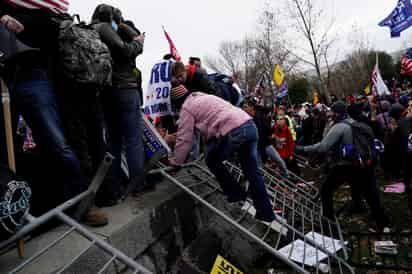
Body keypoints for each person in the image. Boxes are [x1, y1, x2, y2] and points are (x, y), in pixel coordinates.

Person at [0, 1, 108, 226]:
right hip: (5, 79)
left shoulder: (40, 14)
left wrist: (22, 24)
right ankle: (14, 214)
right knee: (6, 152)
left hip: (32, 76)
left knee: (57, 144)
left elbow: (49, 33)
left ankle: (83, 204)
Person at [170, 85, 275, 222]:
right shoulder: (203, 96)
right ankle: (266, 213)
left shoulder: (186, 108)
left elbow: (184, 139)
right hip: (249, 126)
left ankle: (236, 193)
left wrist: (176, 162)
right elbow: (214, 121)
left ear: (177, 102)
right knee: (253, 173)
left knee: (212, 159)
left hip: (235, 130)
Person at [296, 101, 389, 231]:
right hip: (364, 163)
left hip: (346, 166)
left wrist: (301, 149)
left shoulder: (340, 127)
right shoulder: (355, 122)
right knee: (370, 193)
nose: (329, 114)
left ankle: (329, 223)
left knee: (326, 190)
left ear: (337, 113)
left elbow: (323, 147)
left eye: (332, 112)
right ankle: (381, 221)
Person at [91, 5, 146, 198]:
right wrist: (138, 42)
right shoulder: (109, 29)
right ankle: (137, 186)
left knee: (113, 142)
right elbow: (126, 50)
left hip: (105, 92)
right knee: (133, 139)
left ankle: (114, 187)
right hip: (125, 88)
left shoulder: (91, 32)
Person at [242, 98, 289, 177]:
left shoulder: (260, 116)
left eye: (246, 107)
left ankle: (286, 176)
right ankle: (263, 184)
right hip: (255, 146)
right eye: (243, 107)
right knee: (259, 168)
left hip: (266, 144)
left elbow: (267, 128)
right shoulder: (245, 119)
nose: (244, 109)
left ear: (251, 107)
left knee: (279, 160)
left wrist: (271, 133)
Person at [273, 108, 299, 175]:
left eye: (281, 118)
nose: (279, 120)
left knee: (288, 170)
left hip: (285, 155)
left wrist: (290, 155)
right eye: (278, 118)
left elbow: (291, 143)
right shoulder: (273, 128)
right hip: (276, 155)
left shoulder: (287, 130)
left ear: (284, 119)